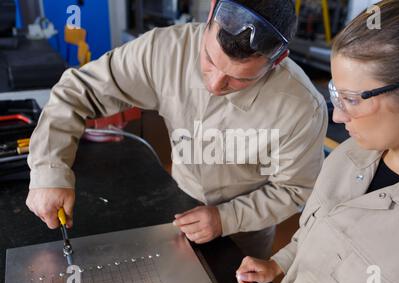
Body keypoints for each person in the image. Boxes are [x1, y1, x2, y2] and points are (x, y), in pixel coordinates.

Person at [25, 0, 328, 259]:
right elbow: (77, 90)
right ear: (210, 13)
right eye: (209, 59)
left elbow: (294, 188)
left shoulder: (302, 107)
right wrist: (48, 170)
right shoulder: (165, 50)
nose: (214, 85)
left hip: (248, 228)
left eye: (240, 79)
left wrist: (226, 219)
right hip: (179, 202)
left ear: (278, 61)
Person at [236, 0, 399, 283]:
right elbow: (316, 234)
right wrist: (280, 263)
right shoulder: (348, 156)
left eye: (351, 99)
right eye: (336, 94)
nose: (337, 116)